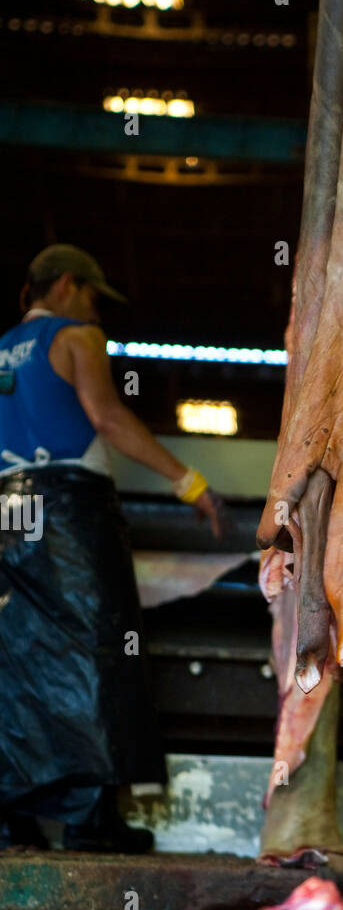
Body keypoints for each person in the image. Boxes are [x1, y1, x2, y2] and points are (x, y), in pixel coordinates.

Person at [0, 244, 224, 852]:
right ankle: (89, 820)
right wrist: (192, 484)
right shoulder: (78, 337)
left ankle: (13, 815)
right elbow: (108, 418)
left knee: (21, 651)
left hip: (10, 510)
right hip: (71, 504)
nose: (98, 312)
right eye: (96, 297)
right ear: (70, 285)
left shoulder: (1, 350)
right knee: (99, 646)